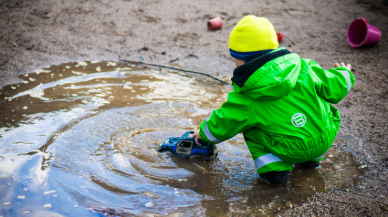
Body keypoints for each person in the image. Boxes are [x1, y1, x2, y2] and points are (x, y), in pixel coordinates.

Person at [191, 15, 355, 185]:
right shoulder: (304, 66)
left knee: (248, 126)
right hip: (323, 138)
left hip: (289, 149)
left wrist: (203, 134)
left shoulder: (246, 95)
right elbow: (335, 86)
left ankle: (275, 171)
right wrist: (344, 72)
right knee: (318, 106)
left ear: (240, 59)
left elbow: (225, 121)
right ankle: (310, 161)